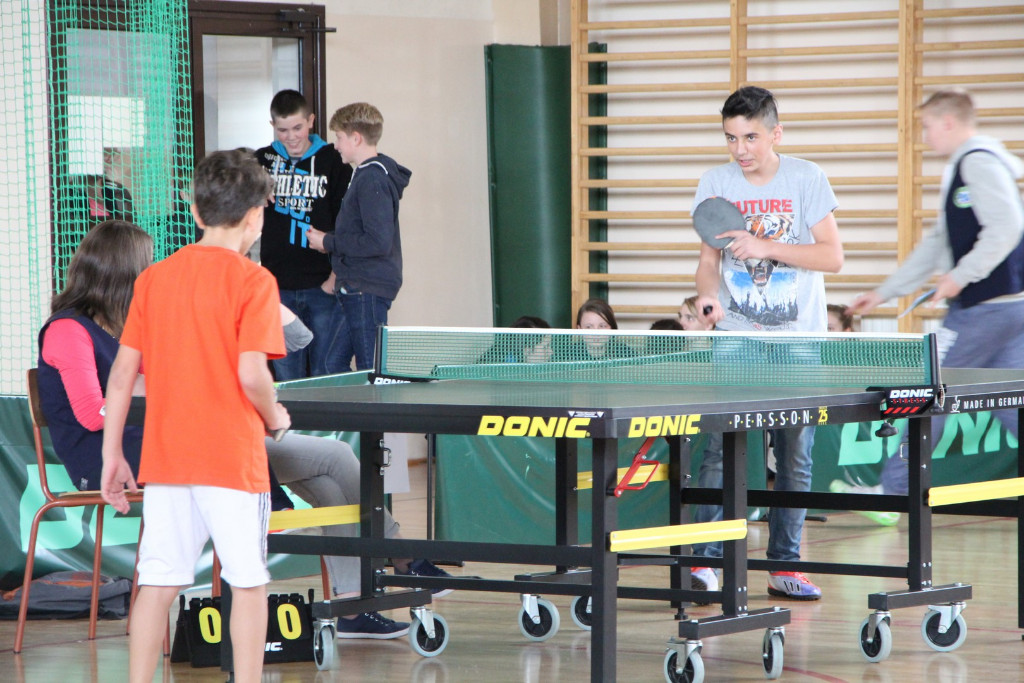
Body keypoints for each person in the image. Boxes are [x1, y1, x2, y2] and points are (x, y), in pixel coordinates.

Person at [101, 149, 290, 683]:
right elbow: (252, 374)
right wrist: (275, 415)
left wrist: (113, 454)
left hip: (167, 460)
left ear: (195, 211)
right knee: (247, 582)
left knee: (157, 582)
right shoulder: (254, 282)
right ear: (255, 216)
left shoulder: (154, 278)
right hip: (230, 459)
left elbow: (121, 377)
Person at [690, 86, 843, 601]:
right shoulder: (715, 183)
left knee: (794, 459)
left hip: (797, 343)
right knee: (717, 453)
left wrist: (764, 245)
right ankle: (704, 562)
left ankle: (784, 566)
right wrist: (707, 297)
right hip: (735, 341)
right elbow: (709, 262)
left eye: (750, 137)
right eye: (731, 138)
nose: (740, 149)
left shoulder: (807, 178)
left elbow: (832, 257)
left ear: (776, 133)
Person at [848, 88, 1024, 440]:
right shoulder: (965, 167)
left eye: (927, 126)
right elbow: (936, 243)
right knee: (1009, 406)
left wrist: (960, 276)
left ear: (948, 122)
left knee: (931, 394)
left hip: (982, 310)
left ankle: (900, 476)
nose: (925, 136)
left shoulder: (977, 163)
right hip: (1008, 309)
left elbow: (1007, 227)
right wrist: (884, 293)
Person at [37, 220, 150, 492]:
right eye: (147, 265)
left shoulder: (127, 326)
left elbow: (153, 384)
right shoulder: (67, 329)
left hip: (138, 443)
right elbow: (93, 414)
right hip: (97, 460)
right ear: (127, 274)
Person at [255, 89, 353, 380]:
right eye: (283, 130)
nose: (291, 137)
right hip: (278, 286)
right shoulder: (261, 161)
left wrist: (334, 278)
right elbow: (239, 207)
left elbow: (347, 223)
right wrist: (255, 188)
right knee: (287, 374)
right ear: (273, 126)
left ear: (311, 121)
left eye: (298, 128)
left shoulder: (333, 160)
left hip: (322, 285)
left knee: (325, 371)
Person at [306, 102, 411, 371]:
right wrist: (328, 240)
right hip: (354, 286)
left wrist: (328, 242)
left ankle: (375, 401)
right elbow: (362, 233)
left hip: (366, 287)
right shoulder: (364, 175)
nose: (336, 145)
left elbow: (378, 241)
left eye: (339, 137)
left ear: (356, 138)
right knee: (331, 364)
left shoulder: (372, 179)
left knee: (369, 367)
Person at [824, 304, 903, 526]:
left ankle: (883, 495)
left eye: (829, 328)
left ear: (846, 331)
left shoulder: (860, 360)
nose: (823, 333)